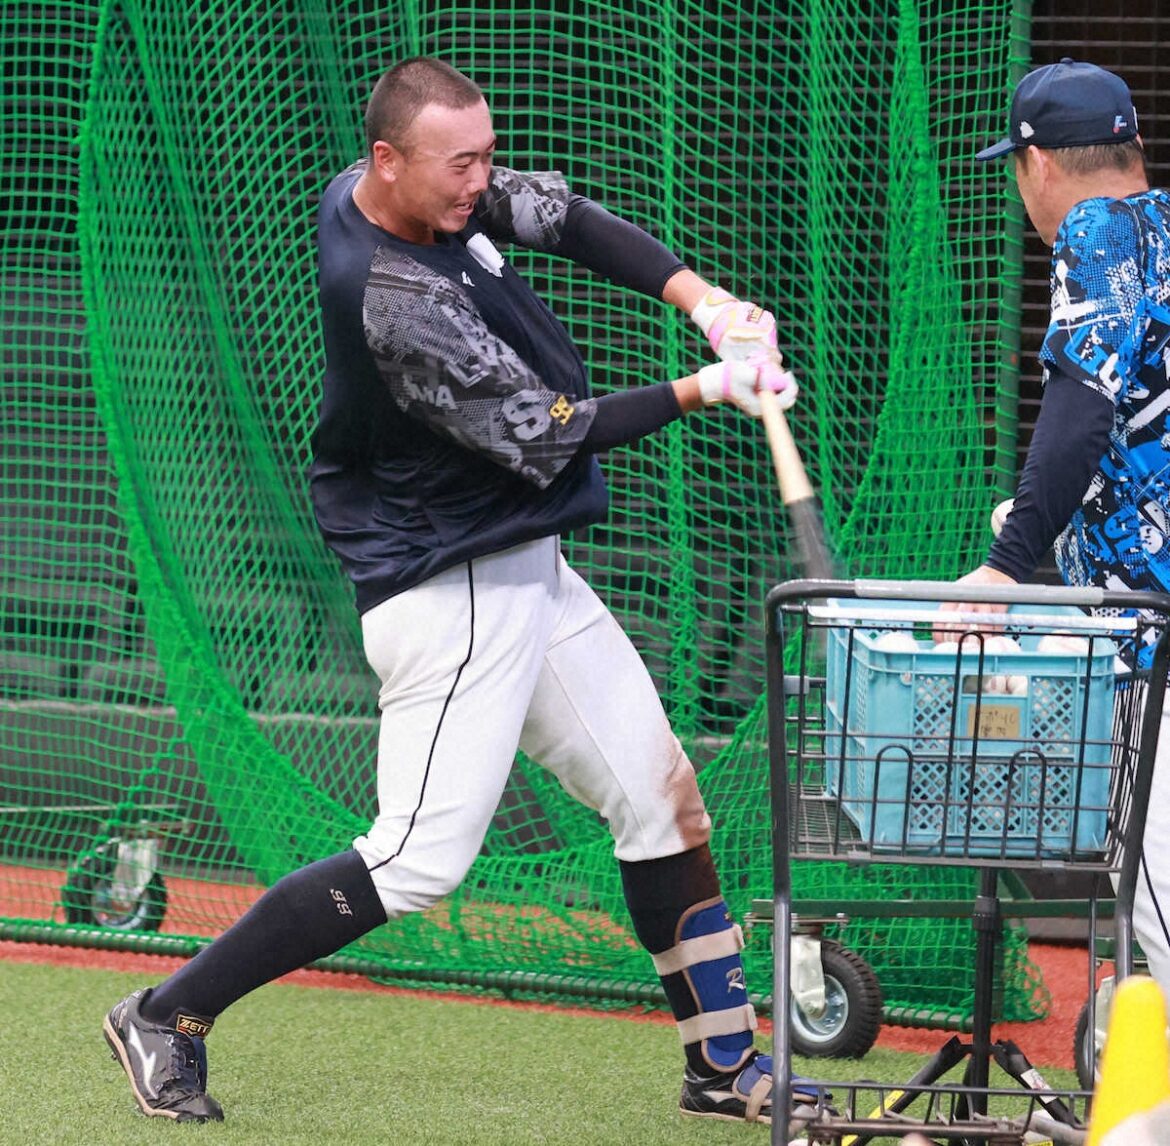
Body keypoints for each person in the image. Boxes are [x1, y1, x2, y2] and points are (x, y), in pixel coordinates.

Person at [101, 57, 800, 1125]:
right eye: (460, 162)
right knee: (415, 861)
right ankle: (168, 1012)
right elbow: (548, 438)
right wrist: (710, 386)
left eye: (484, 152)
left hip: (523, 564)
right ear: (388, 161)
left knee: (664, 804)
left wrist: (705, 303)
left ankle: (721, 1068)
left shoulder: (419, 187)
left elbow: (557, 213)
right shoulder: (388, 297)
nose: (484, 178)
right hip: (452, 585)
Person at [947, 58, 1170, 1003]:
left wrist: (1007, 562)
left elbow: (1084, 402)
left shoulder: (1094, 230)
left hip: (1150, 619)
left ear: (1036, 162)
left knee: (1157, 889)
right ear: (1135, 146)